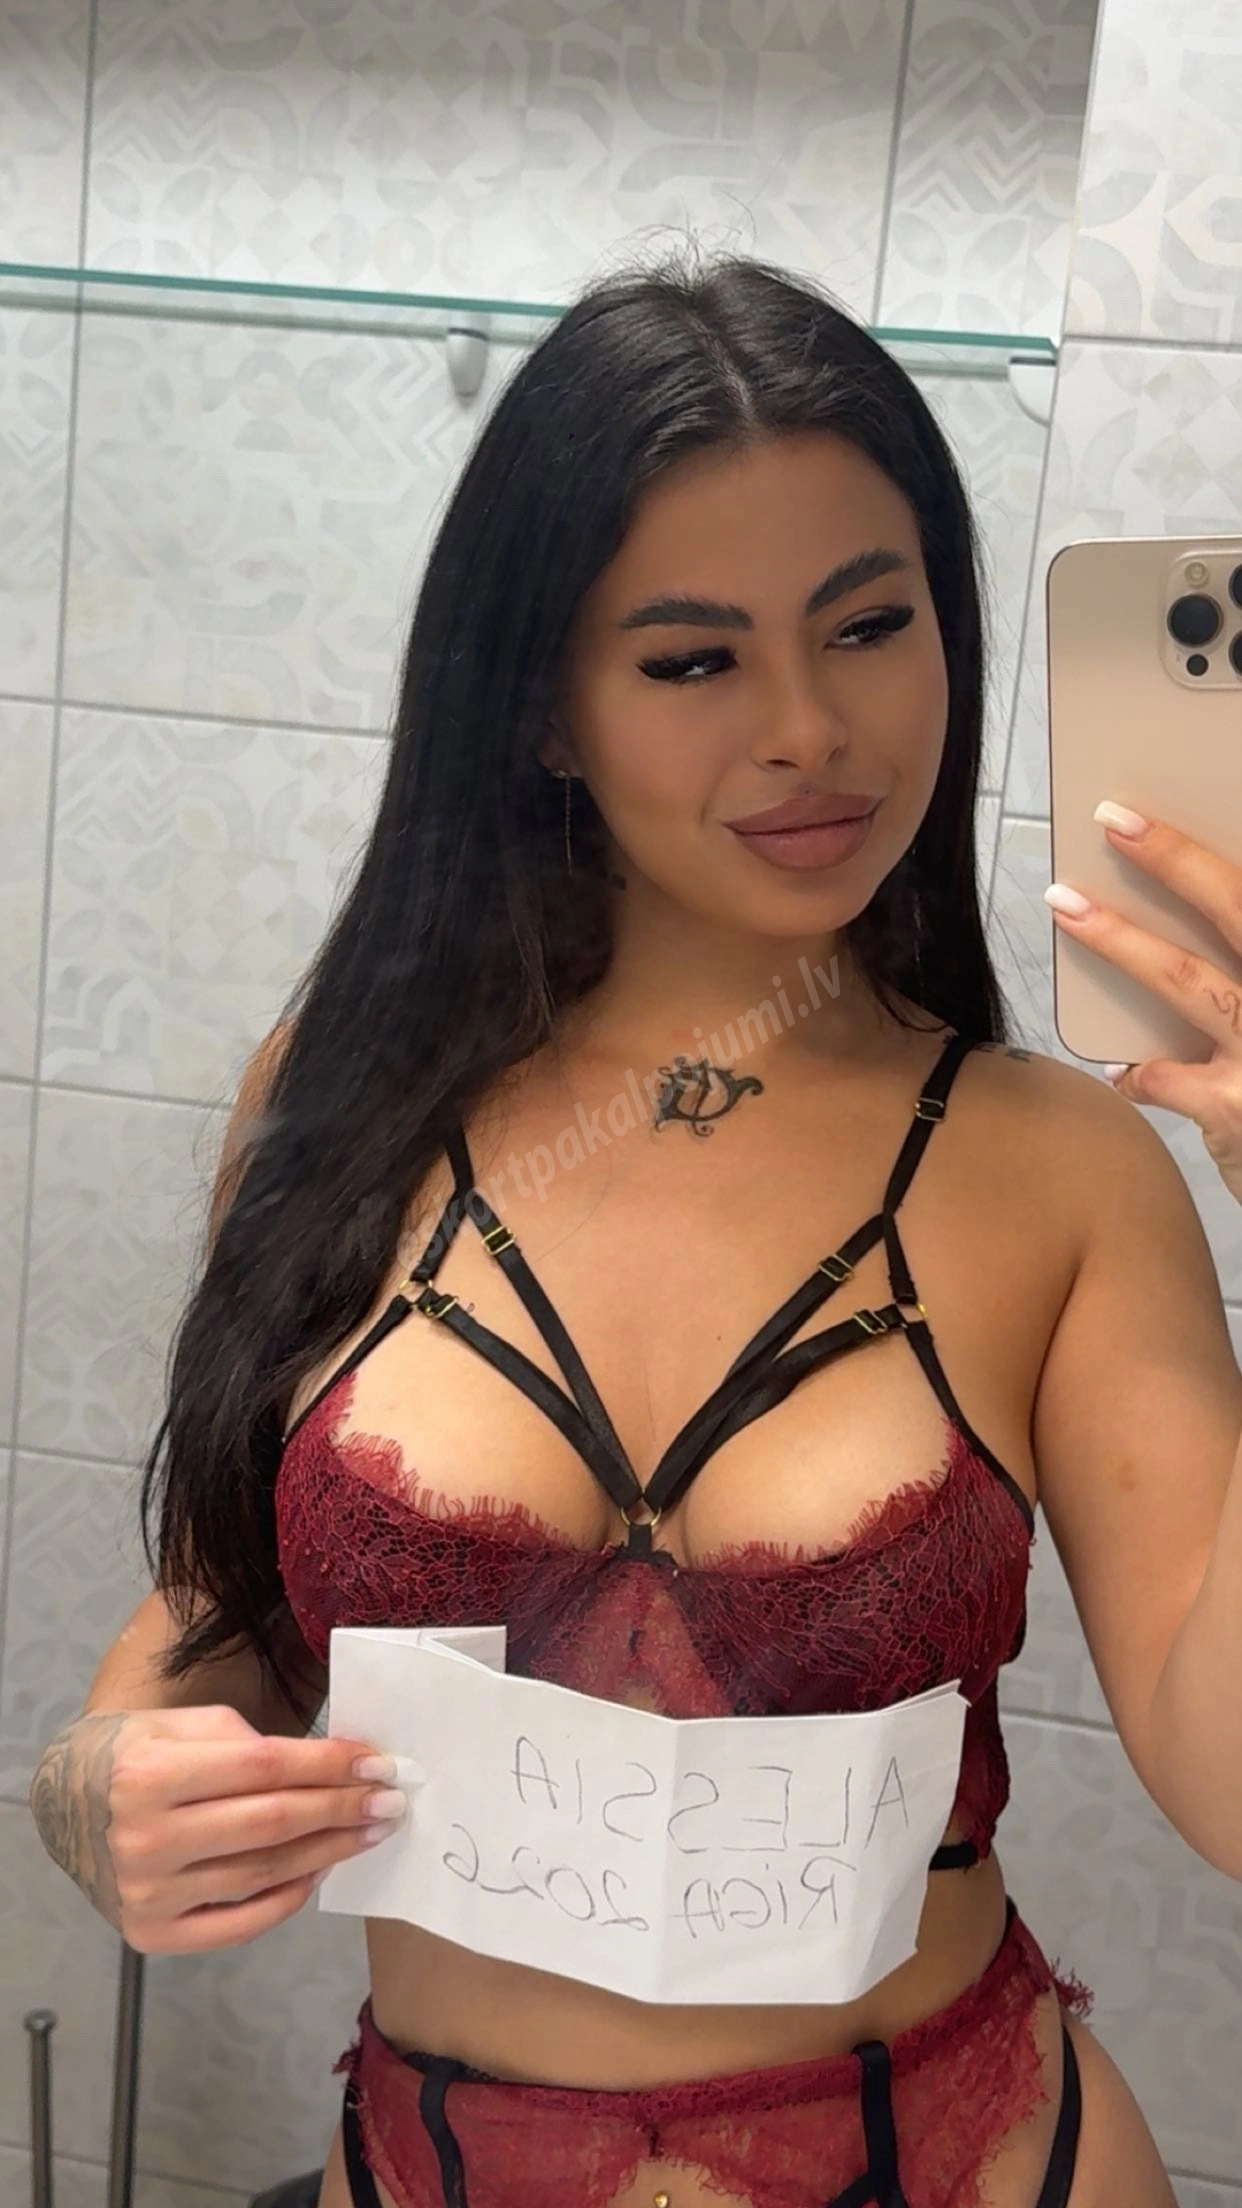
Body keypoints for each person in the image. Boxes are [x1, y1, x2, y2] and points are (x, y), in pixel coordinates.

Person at [28, 251, 1242, 2208]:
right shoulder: (338, 1102)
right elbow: (226, 1614)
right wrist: (107, 1778)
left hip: (973, 2154)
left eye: (871, 626)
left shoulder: (1058, 1171)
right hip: (427, 2157)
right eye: (692, 661)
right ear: (543, 710)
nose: (810, 728)